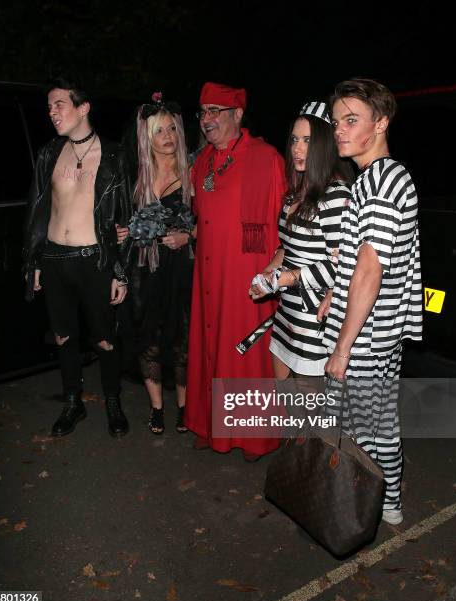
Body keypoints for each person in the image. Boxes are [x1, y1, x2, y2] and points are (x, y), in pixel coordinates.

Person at [322, 78, 423, 525]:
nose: (339, 130)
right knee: (380, 423)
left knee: (355, 429)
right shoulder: (381, 178)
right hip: (379, 334)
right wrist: (334, 289)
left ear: (380, 123)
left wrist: (342, 348)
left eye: (351, 120)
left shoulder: (381, 182)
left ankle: (355, 511)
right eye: (337, 121)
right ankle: (390, 504)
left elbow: (370, 268)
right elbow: (360, 260)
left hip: (364, 338)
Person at [23, 78, 132, 438]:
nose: (52, 112)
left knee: (104, 338)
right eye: (49, 107)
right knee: (64, 336)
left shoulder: (114, 155)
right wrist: (35, 261)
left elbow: (125, 217)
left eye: (59, 105)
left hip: (93, 261)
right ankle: (73, 402)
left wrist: (120, 270)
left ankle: (113, 401)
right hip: (54, 259)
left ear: (83, 107)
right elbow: (37, 211)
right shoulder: (49, 153)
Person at [185, 82, 286, 460]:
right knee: (209, 348)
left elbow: (284, 227)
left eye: (215, 112)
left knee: (245, 355)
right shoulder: (201, 162)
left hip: (247, 278)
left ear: (238, 115)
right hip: (208, 277)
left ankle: (251, 436)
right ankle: (212, 424)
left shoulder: (267, 158)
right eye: (203, 112)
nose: (207, 120)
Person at [249, 101, 353, 394]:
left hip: (314, 318)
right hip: (287, 313)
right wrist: (267, 277)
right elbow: (286, 248)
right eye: (294, 139)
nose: (297, 148)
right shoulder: (295, 192)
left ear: (324, 145)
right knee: (287, 409)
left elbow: (343, 264)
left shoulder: (335, 196)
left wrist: (288, 278)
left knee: (309, 419)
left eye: (307, 140)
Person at [125, 93, 194, 435]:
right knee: (147, 334)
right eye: (159, 131)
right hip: (145, 266)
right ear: (146, 137)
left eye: (171, 129)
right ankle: (156, 408)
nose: (168, 136)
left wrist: (189, 235)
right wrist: (123, 230)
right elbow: (118, 219)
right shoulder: (135, 176)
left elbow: (209, 222)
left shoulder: (193, 169)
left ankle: (184, 407)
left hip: (182, 266)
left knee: (182, 337)